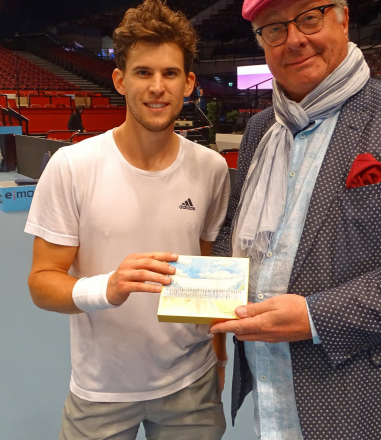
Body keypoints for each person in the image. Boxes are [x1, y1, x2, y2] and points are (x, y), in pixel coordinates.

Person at [210, 1, 381, 439]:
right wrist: (193, 283)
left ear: (342, 17)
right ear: (262, 43)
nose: (296, 39)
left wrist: (317, 316)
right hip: (271, 387)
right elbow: (239, 235)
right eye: (274, 29)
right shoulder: (261, 130)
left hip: (376, 402)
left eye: (309, 18)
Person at [25, 1, 230, 439]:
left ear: (189, 83)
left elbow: (207, 268)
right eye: (143, 72)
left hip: (191, 385)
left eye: (170, 73)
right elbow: (42, 281)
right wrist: (108, 288)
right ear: (119, 79)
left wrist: (219, 354)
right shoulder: (71, 166)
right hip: (101, 392)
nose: (157, 87)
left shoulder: (212, 169)